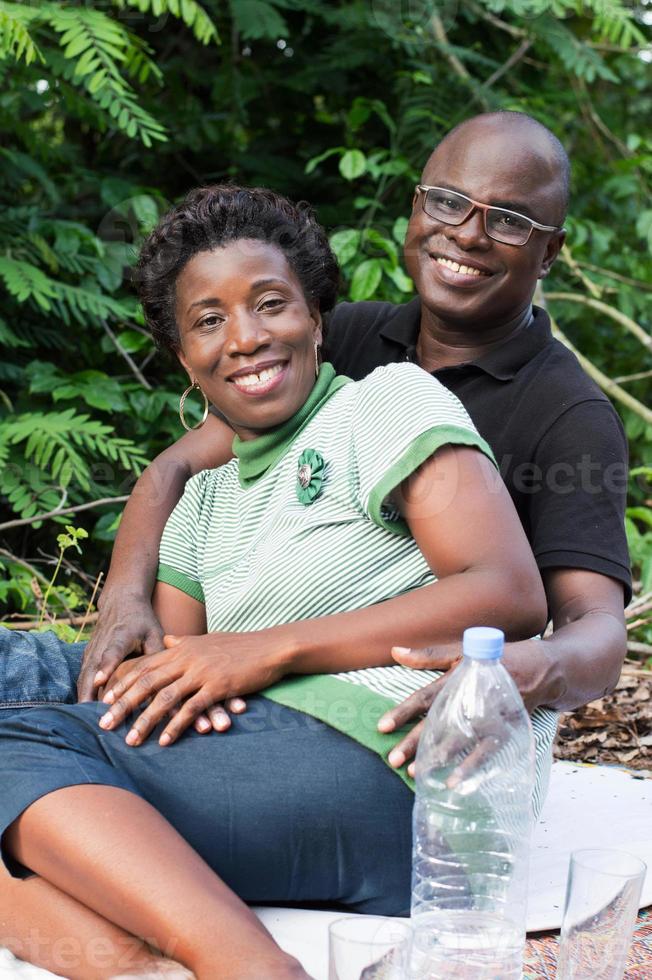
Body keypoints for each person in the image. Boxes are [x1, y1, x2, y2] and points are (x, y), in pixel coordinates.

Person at [0, 186, 548, 979]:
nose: (246, 339)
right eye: (209, 321)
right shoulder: (203, 498)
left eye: (271, 304)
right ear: (183, 355)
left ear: (317, 318)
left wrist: (266, 650)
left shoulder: (386, 402)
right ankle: (129, 965)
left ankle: (250, 968)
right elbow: (171, 688)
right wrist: (181, 664)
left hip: (403, 766)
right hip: (262, 754)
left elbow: (508, 591)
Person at [75, 111, 629, 775]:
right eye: (449, 202)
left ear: (550, 252)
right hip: (271, 693)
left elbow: (595, 631)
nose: (468, 234)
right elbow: (177, 466)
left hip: (394, 723)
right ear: (416, 208)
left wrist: (533, 665)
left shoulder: (567, 413)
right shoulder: (347, 339)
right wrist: (125, 592)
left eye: (509, 219)